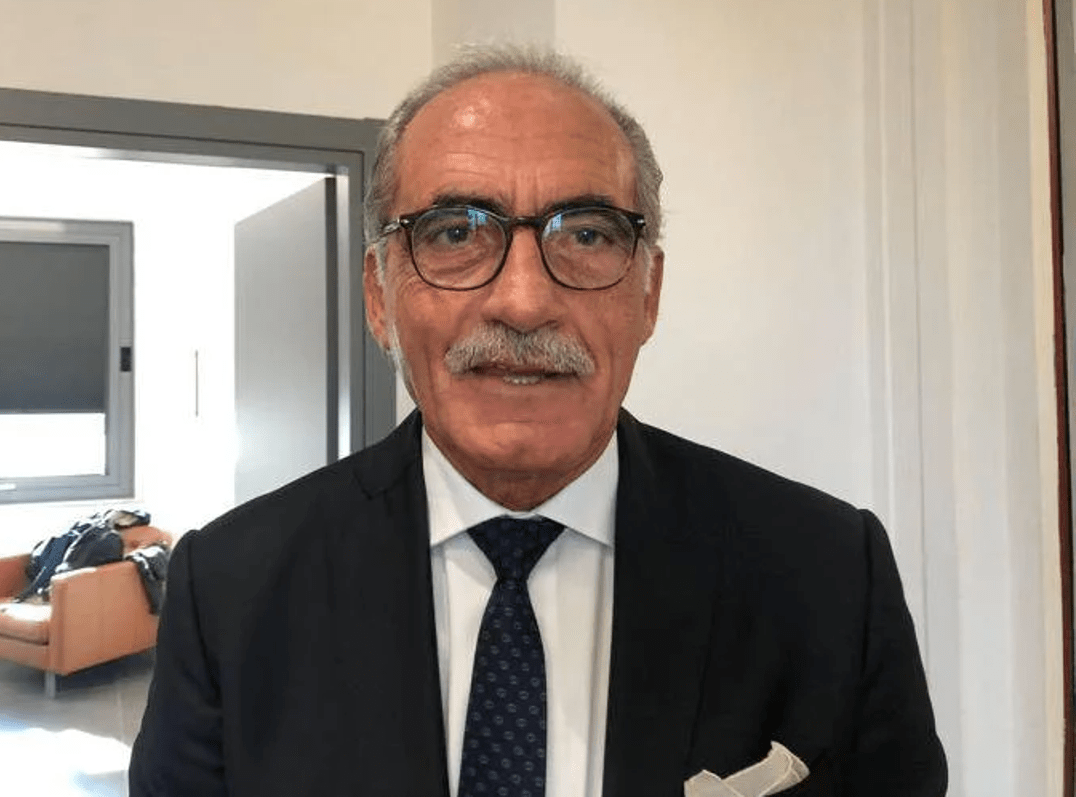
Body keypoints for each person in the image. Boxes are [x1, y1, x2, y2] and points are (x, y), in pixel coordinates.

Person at [129, 45, 947, 797]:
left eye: (587, 233)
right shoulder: (231, 591)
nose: (523, 301)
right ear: (380, 298)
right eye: (455, 232)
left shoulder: (827, 576)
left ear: (649, 294)